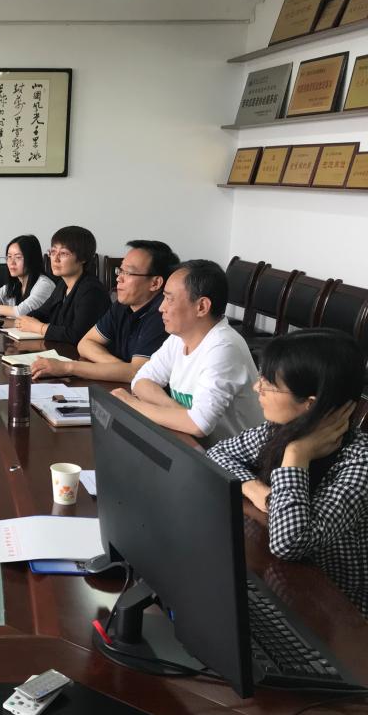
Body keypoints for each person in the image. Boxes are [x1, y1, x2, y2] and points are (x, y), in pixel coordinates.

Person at [207, 329, 368, 617]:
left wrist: (296, 455)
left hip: (339, 611)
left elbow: (289, 542)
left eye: (269, 384)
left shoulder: (359, 462)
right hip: (283, 583)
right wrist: (256, 489)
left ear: (310, 403)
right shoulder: (277, 430)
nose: (256, 388)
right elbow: (218, 455)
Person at [113, 259, 263, 445]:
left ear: (202, 307)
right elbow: (141, 381)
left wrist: (133, 406)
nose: (161, 308)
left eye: (169, 299)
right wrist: (179, 412)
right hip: (195, 447)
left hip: (232, 458)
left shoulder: (224, 347)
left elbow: (199, 425)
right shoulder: (180, 337)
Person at [31, 240, 176, 382]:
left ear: (155, 283)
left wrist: (67, 367)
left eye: (128, 273)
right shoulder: (122, 305)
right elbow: (85, 344)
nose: (119, 278)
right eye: (120, 270)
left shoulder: (163, 314)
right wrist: (120, 368)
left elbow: (138, 373)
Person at [14, 226, 110, 344]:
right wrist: (26, 320)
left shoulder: (92, 291)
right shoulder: (62, 285)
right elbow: (42, 312)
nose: (55, 259)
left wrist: (39, 328)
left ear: (83, 258)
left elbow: (77, 335)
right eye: (53, 252)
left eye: (63, 253)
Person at [0, 235, 55, 317]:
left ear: (32, 259)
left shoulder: (45, 285)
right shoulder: (15, 285)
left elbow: (21, 312)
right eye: (9, 257)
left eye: (18, 257)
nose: (12, 262)